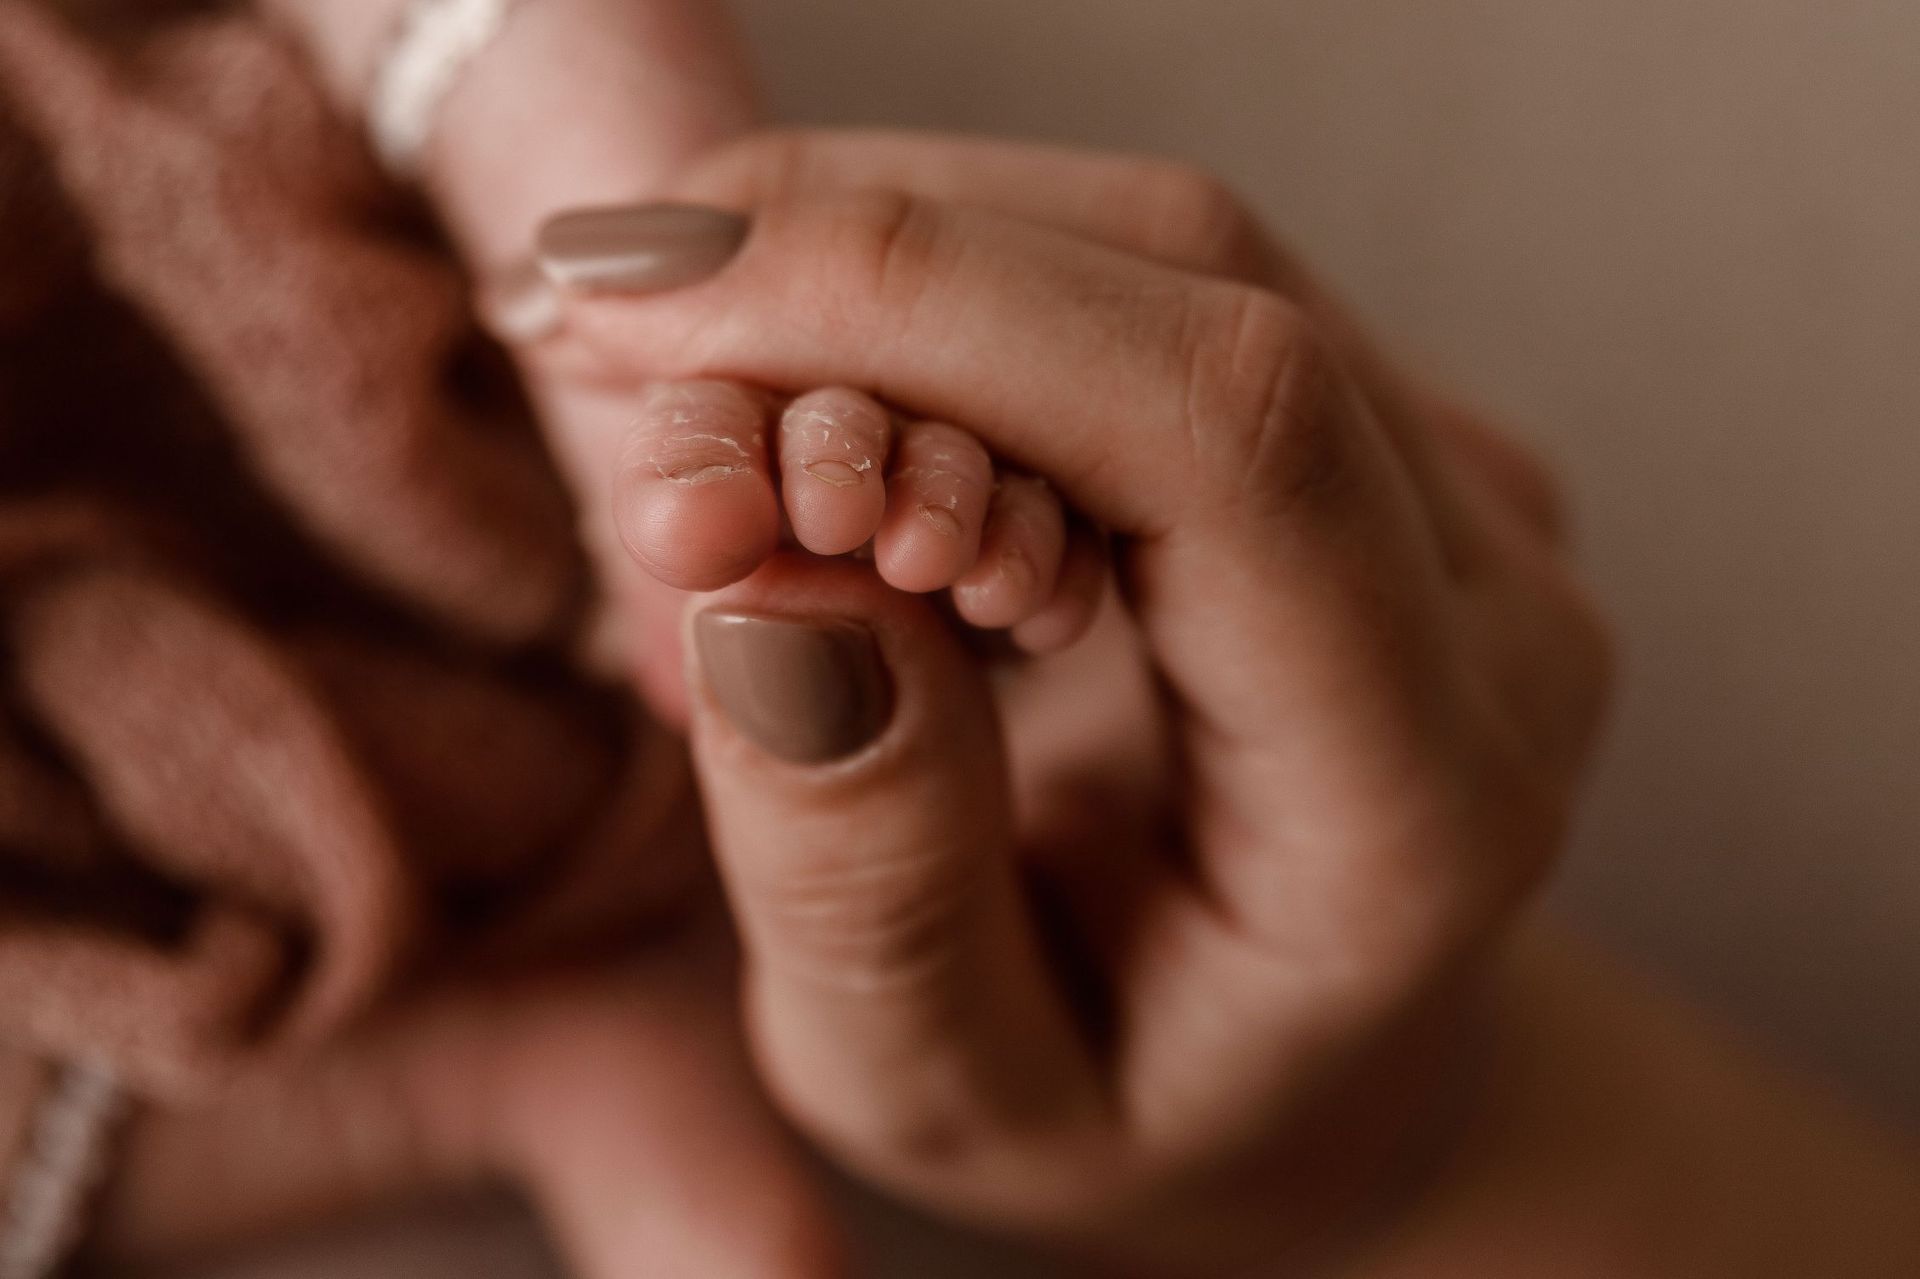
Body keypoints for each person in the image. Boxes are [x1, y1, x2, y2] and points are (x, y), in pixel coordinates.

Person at [15, 2, 1920, 1276]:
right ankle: (522, 1065)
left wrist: (540, 112)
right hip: (116, 918)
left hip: (293, 263)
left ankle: (673, 440)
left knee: (636, 257)